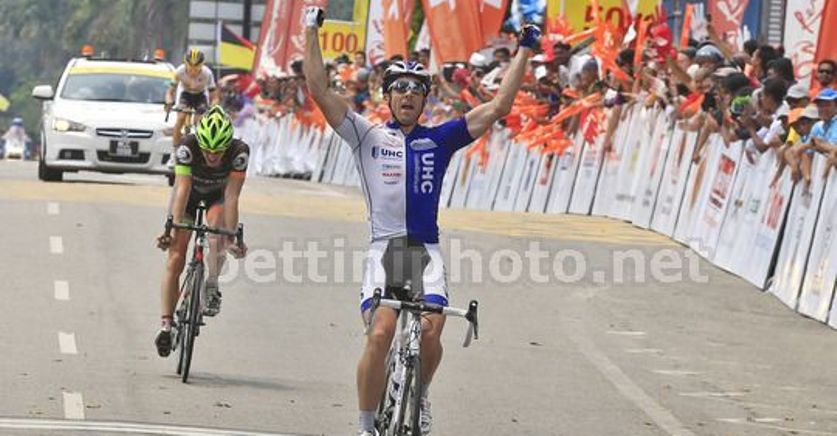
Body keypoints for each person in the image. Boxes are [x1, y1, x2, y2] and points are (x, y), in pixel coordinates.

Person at [302, 6, 540, 435]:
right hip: (386, 250)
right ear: (387, 97)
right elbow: (318, 88)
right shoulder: (366, 135)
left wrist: (524, 48)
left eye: (416, 88)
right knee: (380, 335)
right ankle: (365, 425)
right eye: (399, 88)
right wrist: (309, 29)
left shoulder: (441, 138)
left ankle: (421, 394)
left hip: (425, 251)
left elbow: (500, 105)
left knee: (431, 332)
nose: (408, 94)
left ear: (425, 99)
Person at [153, 105, 248, 357]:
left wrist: (231, 236)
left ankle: (212, 284)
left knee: (218, 231)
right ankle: (165, 324)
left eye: (218, 151)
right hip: (190, 196)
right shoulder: (188, 146)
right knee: (175, 258)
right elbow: (182, 190)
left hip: (218, 196)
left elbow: (232, 196)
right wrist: (170, 227)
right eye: (207, 150)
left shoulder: (239, 152)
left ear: (228, 145)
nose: (212, 156)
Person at [165, 49, 220, 157]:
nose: (193, 71)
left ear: (202, 66)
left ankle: (201, 149)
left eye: (197, 68)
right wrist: (169, 102)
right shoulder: (179, 71)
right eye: (190, 67)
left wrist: (213, 108)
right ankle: (174, 152)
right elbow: (170, 92)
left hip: (200, 96)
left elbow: (215, 96)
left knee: (199, 122)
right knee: (180, 118)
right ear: (185, 64)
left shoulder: (207, 73)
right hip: (185, 94)